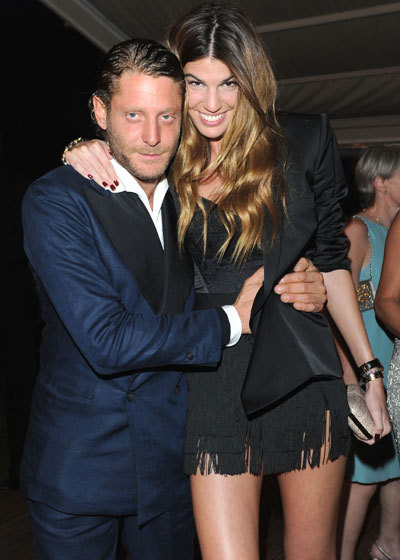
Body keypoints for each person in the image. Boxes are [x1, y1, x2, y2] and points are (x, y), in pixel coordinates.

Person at [64, 4, 390, 559]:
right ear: (177, 82)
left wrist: (368, 369)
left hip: (302, 371)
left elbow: (332, 259)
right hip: (210, 379)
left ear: (250, 81)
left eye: (228, 83)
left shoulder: (303, 141)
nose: (211, 102)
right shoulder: (165, 155)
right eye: (194, 83)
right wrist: (82, 148)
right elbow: (122, 162)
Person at [21, 37, 324, 560]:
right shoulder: (57, 200)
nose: (152, 137)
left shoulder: (186, 194)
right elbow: (107, 340)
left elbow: (253, 259)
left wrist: (307, 283)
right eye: (133, 114)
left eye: (167, 116)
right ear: (99, 111)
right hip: (82, 471)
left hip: (170, 467)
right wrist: (233, 321)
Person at [334, 145, 400, 560]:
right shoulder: (357, 230)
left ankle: (389, 544)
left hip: (393, 363)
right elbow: (333, 307)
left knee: (391, 464)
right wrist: (349, 377)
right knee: (364, 473)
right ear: (380, 182)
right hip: (364, 365)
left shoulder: (394, 233)